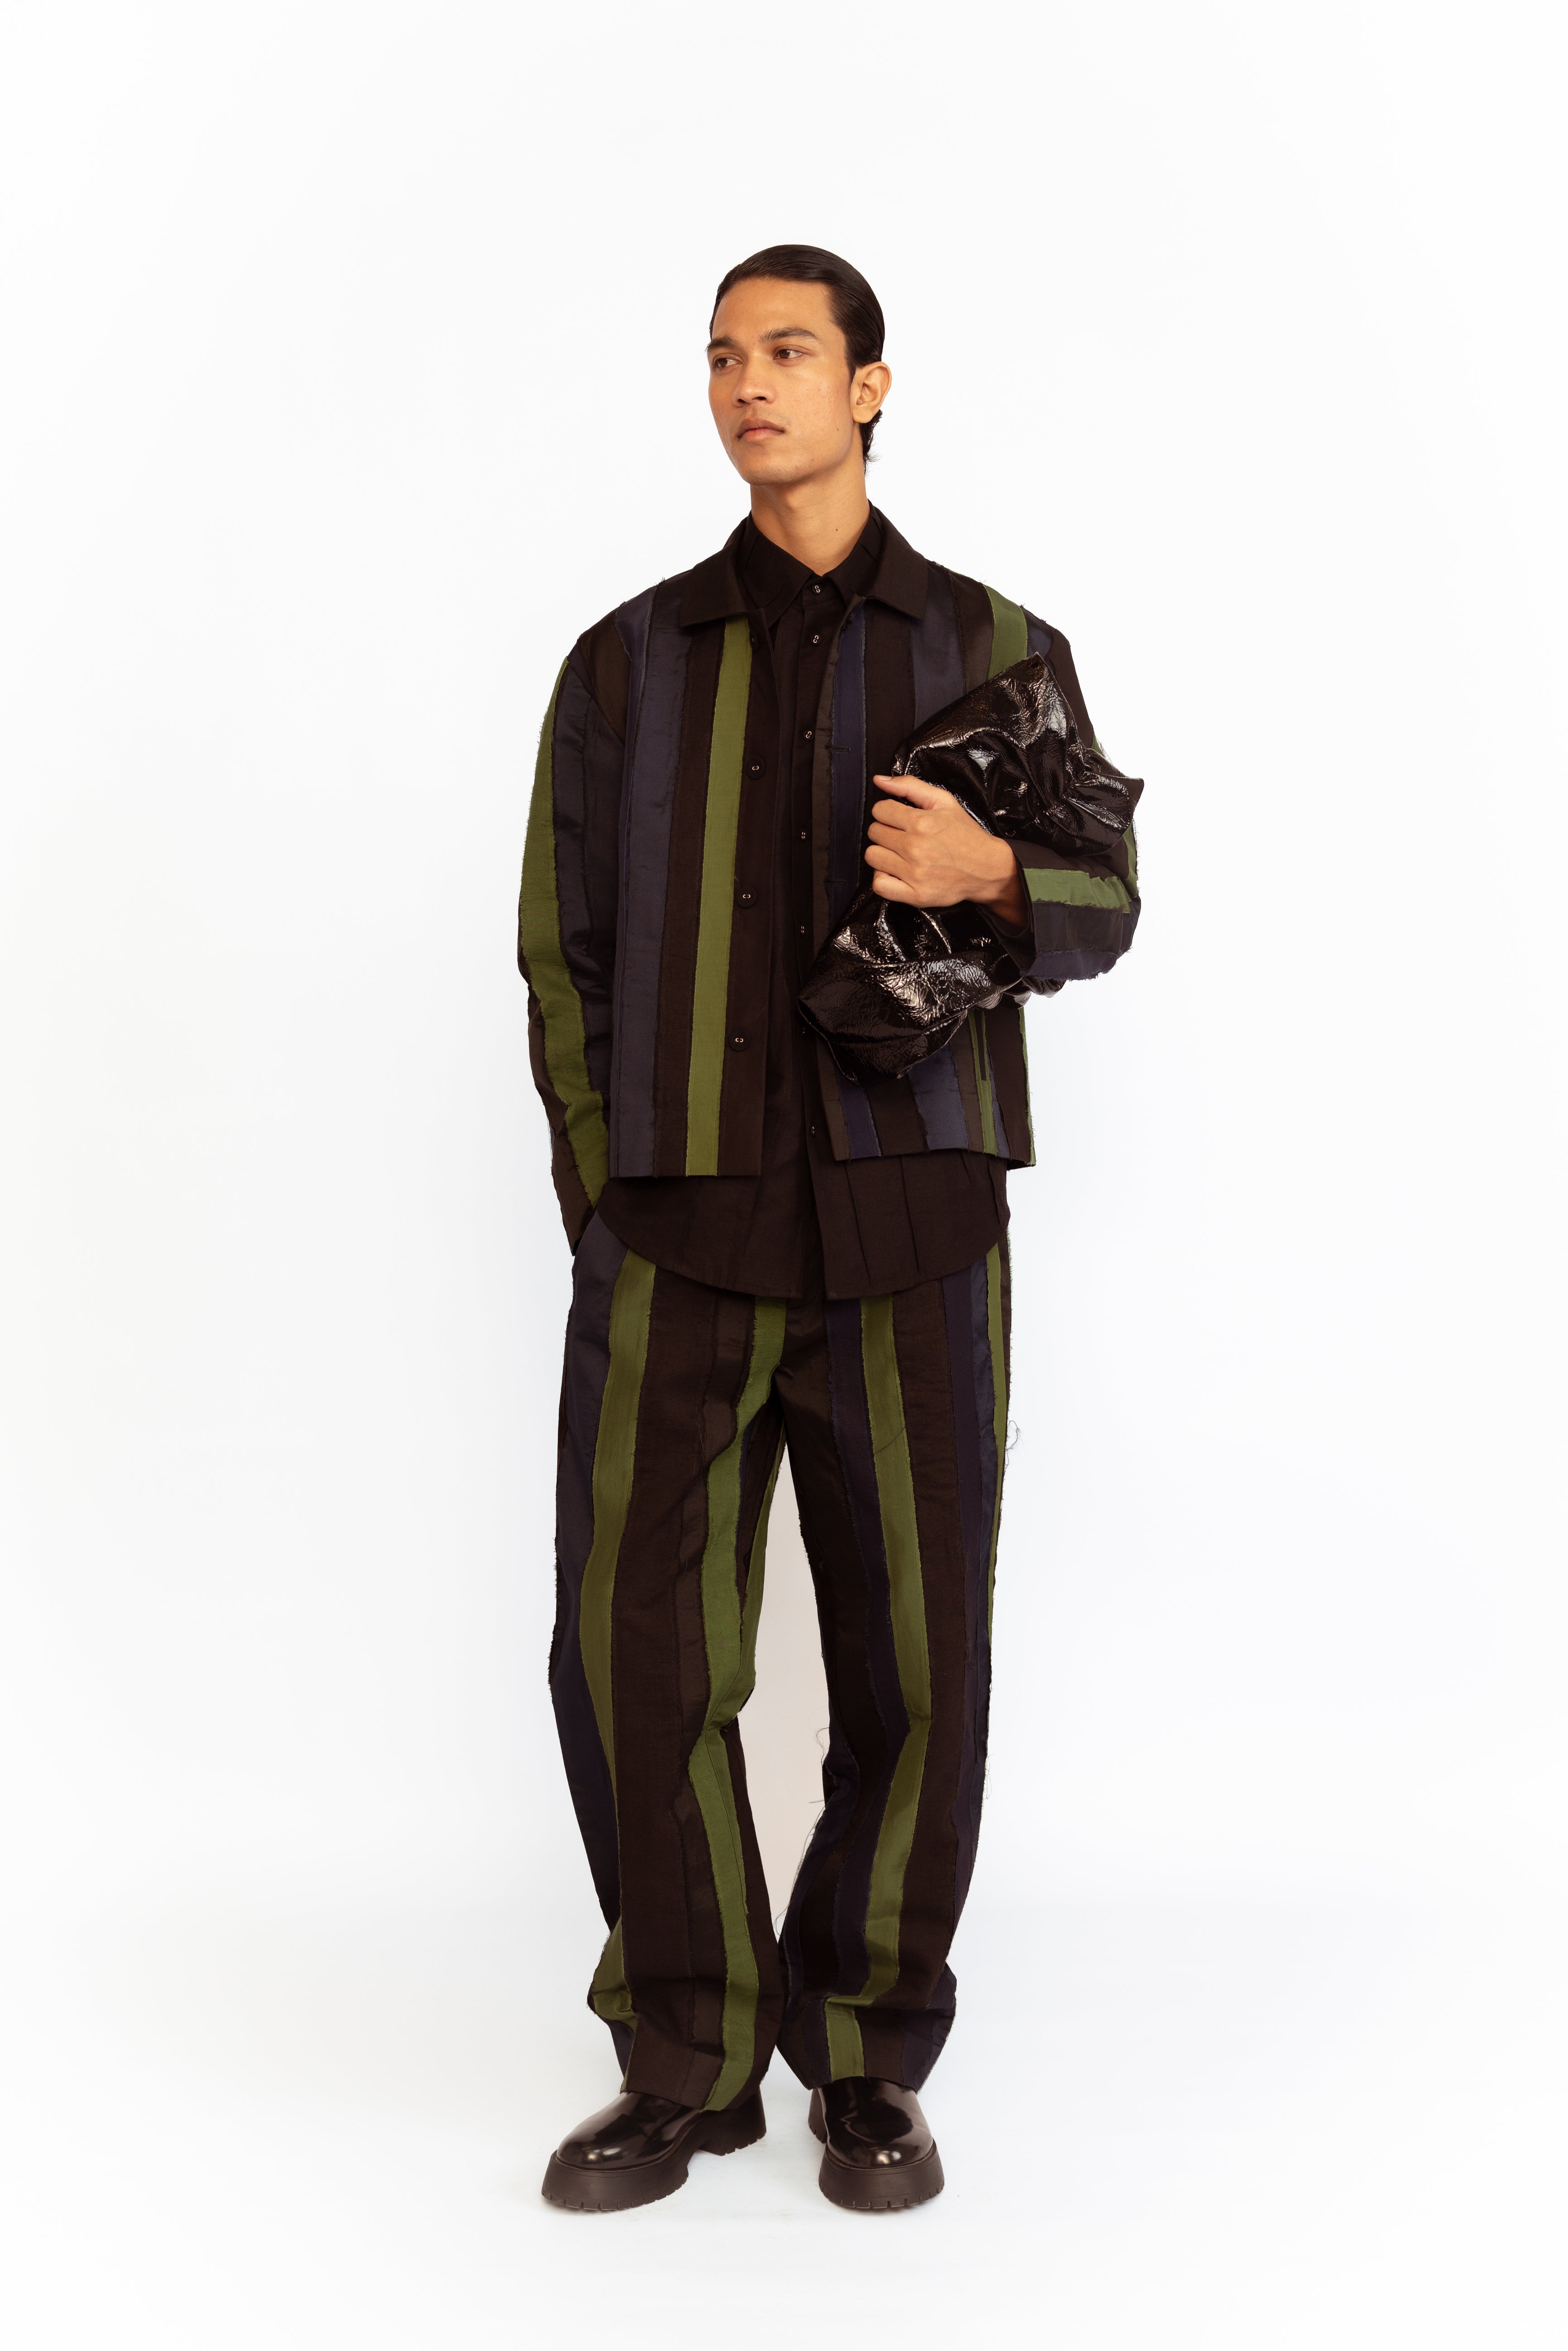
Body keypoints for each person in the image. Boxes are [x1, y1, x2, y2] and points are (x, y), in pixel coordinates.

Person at [518, 244, 1139, 2213]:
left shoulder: (994, 643)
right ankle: (687, 2056)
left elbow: (1108, 901)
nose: (748, 384)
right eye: (723, 355)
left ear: (869, 385)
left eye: (788, 350)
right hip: (676, 1232)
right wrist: (608, 1193)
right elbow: (563, 952)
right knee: (630, 1657)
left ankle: (866, 2053)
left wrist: (997, 870)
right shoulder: (625, 662)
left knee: (916, 1667)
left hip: (916, 1226)